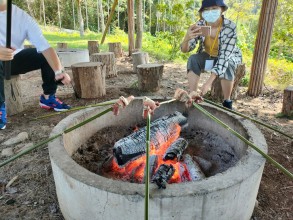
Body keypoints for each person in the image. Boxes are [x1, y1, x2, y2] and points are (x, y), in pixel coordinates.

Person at [0, 0, 72, 130]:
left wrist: (58, 71)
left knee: (44, 56)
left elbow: (44, 47)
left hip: (13, 58)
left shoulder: (22, 17)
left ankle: (48, 97)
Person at [181, 0, 242, 109]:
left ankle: (227, 101)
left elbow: (224, 57)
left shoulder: (229, 26)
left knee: (229, 64)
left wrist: (208, 83)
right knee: (193, 59)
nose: (210, 12)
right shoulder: (200, 24)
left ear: (222, 9)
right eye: (206, 9)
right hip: (209, 55)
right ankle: (193, 95)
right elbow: (186, 49)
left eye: (214, 8)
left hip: (227, 56)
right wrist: (187, 37)